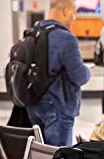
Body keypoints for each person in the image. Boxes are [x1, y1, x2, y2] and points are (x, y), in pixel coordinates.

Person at [26, 0, 90, 146]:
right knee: (59, 156)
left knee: (39, 153)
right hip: (58, 107)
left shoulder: (34, 33)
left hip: (33, 104)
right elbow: (79, 76)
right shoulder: (66, 38)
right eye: (74, 14)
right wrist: (87, 71)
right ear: (66, 12)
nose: (74, 18)